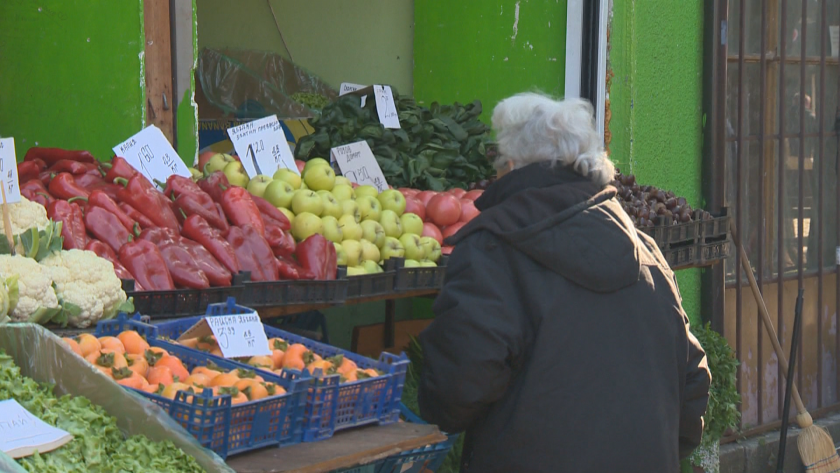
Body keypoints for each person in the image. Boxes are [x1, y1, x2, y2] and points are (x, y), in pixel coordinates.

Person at [417, 93, 711, 472]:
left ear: (510, 166)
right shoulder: (647, 252)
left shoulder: (492, 251)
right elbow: (692, 386)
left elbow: (455, 390)